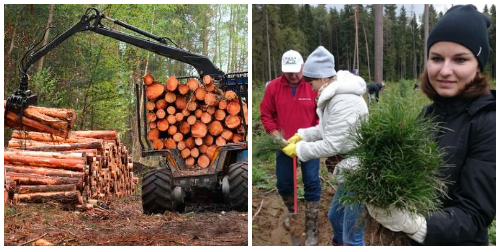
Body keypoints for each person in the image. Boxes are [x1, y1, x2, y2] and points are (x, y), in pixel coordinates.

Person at [366, 5, 495, 246]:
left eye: (460, 59)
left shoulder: (488, 123)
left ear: (478, 65)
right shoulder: (428, 114)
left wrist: (416, 224)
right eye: (436, 58)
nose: (445, 70)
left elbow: (476, 215)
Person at [282, 46, 369, 246]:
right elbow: (326, 129)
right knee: (335, 218)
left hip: (358, 171)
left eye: (310, 81)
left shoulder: (343, 100)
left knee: (353, 236)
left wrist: (300, 150)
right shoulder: (334, 96)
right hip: (348, 169)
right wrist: (302, 135)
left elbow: (331, 144)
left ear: (322, 78)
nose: (310, 86)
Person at [259, 49, 321, 246]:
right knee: (285, 184)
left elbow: (321, 116)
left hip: (309, 144)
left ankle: (312, 228)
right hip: (285, 145)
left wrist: (312, 135)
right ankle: (293, 214)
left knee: (311, 181)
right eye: (289, 72)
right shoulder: (274, 88)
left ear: (303, 67)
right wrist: (278, 139)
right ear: (282, 70)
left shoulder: (313, 86)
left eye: (297, 71)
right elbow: (266, 115)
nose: (294, 76)